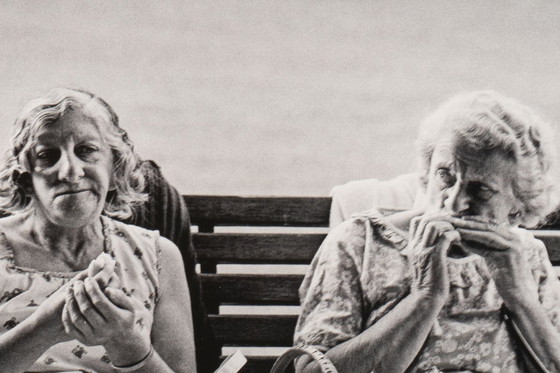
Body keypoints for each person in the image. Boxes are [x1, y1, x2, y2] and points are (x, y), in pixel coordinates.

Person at [294, 91, 560, 372]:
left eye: (480, 190)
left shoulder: (526, 257)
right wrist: (425, 298)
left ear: (517, 209)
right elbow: (312, 370)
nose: (454, 202)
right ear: (427, 171)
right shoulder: (359, 243)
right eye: (445, 176)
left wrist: (521, 298)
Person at [0, 88, 196, 372]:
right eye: (47, 155)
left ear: (115, 169)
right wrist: (46, 326)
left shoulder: (156, 257)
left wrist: (128, 345)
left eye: (86, 150)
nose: (70, 170)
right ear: (25, 179)